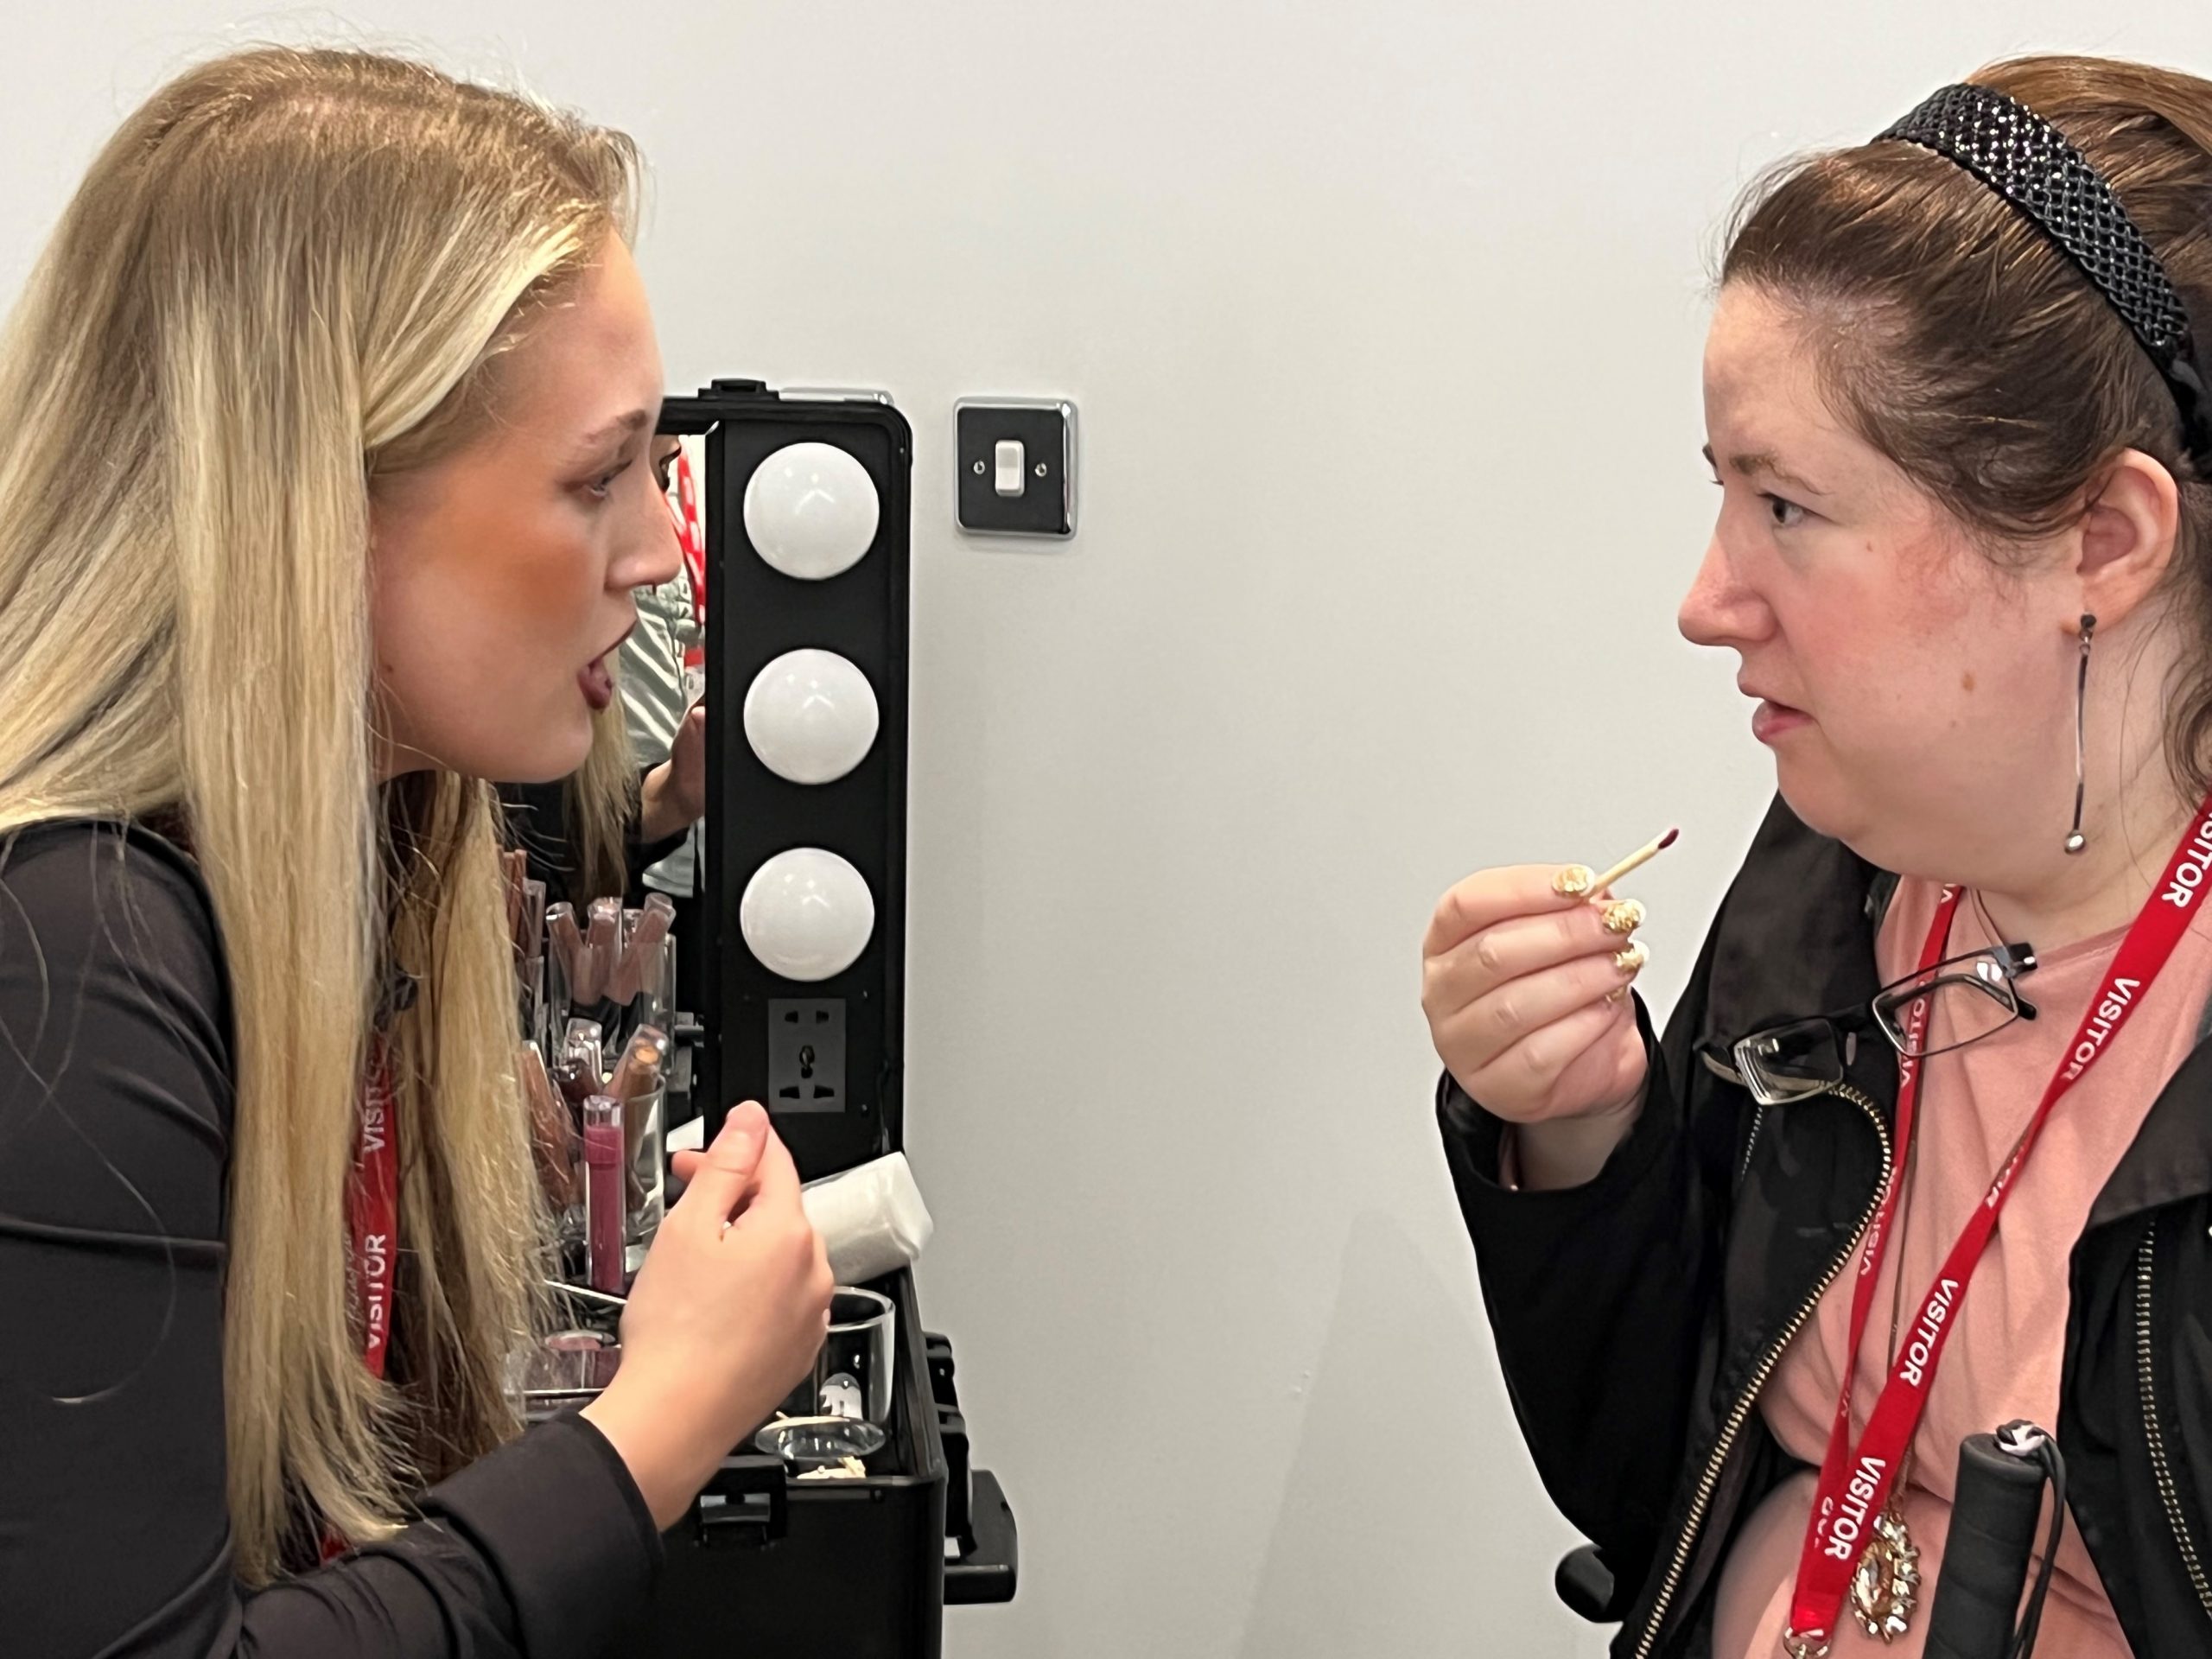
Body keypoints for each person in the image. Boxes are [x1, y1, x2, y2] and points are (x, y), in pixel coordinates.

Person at [0, 46, 834, 1656]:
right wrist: (648, 1430)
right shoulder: (67, 965)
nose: (662, 556)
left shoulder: (381, 860)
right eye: (599, 478)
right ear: (316, 502)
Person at [1423, 54, 2212, 1659]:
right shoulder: (1839, 872)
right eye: (1726, 493)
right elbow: (1650, 1489)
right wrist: (1578, 1141)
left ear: (2101, 543)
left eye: (1787, 505)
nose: (1706, 601)